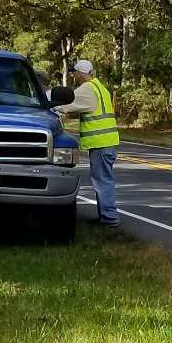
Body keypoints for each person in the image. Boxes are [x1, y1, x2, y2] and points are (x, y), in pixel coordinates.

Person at [54, 59, 120, 227]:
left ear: (80, 73)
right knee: (105, 179)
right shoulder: (100, 87)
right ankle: (107, 216)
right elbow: (85, 108)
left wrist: (50, 106)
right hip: (109, 141)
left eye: (74, 73)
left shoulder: (86, 89)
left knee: (102, 180)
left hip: (100, 142)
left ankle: (109, 218)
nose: (73, 76)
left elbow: (67, 105)